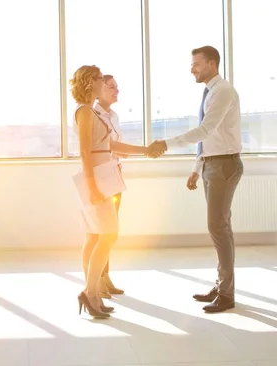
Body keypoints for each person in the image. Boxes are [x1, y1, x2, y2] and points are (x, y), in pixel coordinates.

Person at [150, 45, 243, 313]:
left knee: (218, 227)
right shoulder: (211, 92)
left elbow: (206, 129)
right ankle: (223, 286)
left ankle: (226, 294)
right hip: (213, 164)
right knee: (221, 228)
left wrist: (166, 144)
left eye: (197, 64)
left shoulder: (223, 91)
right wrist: (197, 166)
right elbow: (210, 137)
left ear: (212, 64)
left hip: (224, 165)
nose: (192, 69)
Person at [71, 65, 161, 319]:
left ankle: (93, 293)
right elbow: (85, 153)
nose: (105, 83)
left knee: (94, 237)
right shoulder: (85, 112)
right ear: (91, 82)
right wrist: (92, 188)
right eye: (101, 79)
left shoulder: (91, 112)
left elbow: (112, 145)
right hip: (96, 179)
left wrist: (146, 150)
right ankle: (91, 292)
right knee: (109, 235)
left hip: (103, 176)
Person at [93, 75, 125, 298]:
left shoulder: (114, 116)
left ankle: (106, 277)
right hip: (102, 177)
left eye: (117, 87)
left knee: (111, 231)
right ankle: (98, 280)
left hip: (115, 175)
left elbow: (115, 147)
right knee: (102, 232)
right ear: (99, 89)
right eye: (111, 87)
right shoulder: (93, 114)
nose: (116, 91)